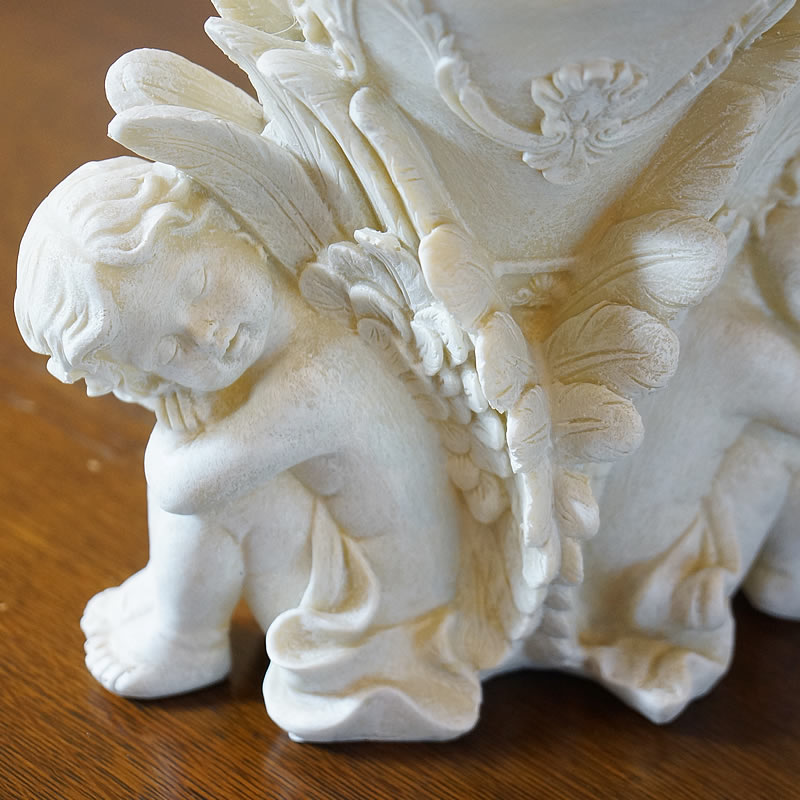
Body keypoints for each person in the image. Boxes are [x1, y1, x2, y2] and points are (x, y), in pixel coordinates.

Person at [16, 156, 475, 739]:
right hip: (373, 562)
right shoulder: (293, 324)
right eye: (167, 351)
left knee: (222, 489)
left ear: (229, 226)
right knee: (218, 452)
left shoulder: (317, 377)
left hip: (379, 612)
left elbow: (183, 490)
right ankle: (174, 599)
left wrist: (177, 434)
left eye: (200, 284)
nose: (207, 333)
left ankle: (185, 640)